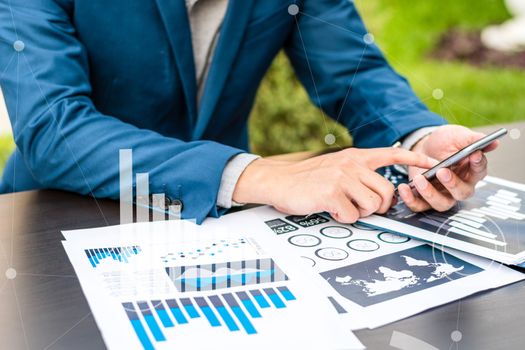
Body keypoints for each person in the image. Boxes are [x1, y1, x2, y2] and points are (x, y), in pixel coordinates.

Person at [0, 0, 496, 223]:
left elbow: (352, 71)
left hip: (220, 220)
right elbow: (52, 129)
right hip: (60, 216)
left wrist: (418, 140)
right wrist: (258, 176)